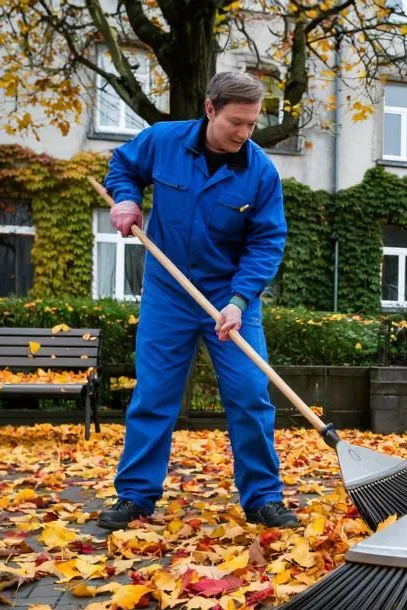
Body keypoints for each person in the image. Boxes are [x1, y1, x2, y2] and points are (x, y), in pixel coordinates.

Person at [97, 71, 298, 531]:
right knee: (154, 394)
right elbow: (123, 167)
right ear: (210, 109)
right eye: (236, 123)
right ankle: (135, 497)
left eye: (251, 124)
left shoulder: (260, 171)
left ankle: (263, 498)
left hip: (230, 298)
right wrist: (126, 200)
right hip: (169, 292)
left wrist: (240, 300)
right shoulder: (163, 141)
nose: (245, 133)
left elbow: (267, 243)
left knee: (250, 395)